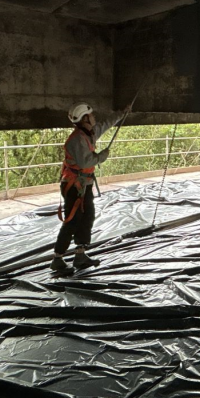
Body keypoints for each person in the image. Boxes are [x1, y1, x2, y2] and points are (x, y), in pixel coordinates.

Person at [51, 102, 129, 273]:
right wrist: (101, 157)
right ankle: (58, 257)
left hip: (83, 184)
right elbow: (85, 162)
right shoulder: (77, 140)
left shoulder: (88, 134)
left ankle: (80, 253)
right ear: (85, 118)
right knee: (73, 219)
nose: (94, 117)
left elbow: (105, 125)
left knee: (87, 217)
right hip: (74, 185)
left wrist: (121, 113)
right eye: (91, 115)